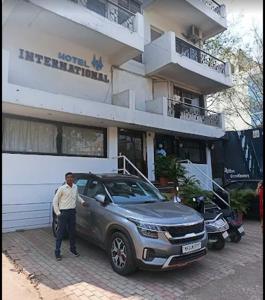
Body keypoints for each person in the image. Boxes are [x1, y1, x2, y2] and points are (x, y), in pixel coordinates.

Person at [53, 172, 87, 261]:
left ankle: (73, 249)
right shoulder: (62, 188)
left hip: (72, 212)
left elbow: (77, 196)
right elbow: (55, 201)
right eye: (68, 178)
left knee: (72, 233)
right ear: (65, 179)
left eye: (71, 178)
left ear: (73, 179)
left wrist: (82, 202)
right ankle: (57, 252)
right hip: (63, 213)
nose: (70, 179)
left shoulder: (75, 187)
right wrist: (58, 213)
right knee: (60, 233)